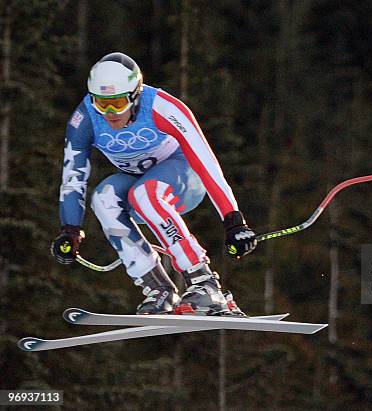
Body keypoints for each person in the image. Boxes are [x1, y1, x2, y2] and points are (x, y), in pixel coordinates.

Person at [50, 52, 257, 316]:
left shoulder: (162, 107)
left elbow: (207, 165)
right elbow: (73, 177)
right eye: (102, 103)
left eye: (118, 103)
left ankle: (205, 283)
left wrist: (233, 220)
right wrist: (70, 229)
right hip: (140, 187)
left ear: (135, 95)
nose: (111, 113)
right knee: (104, 197)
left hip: (183, 180)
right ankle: (158, 288)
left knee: (145, 194)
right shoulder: (85, 119)